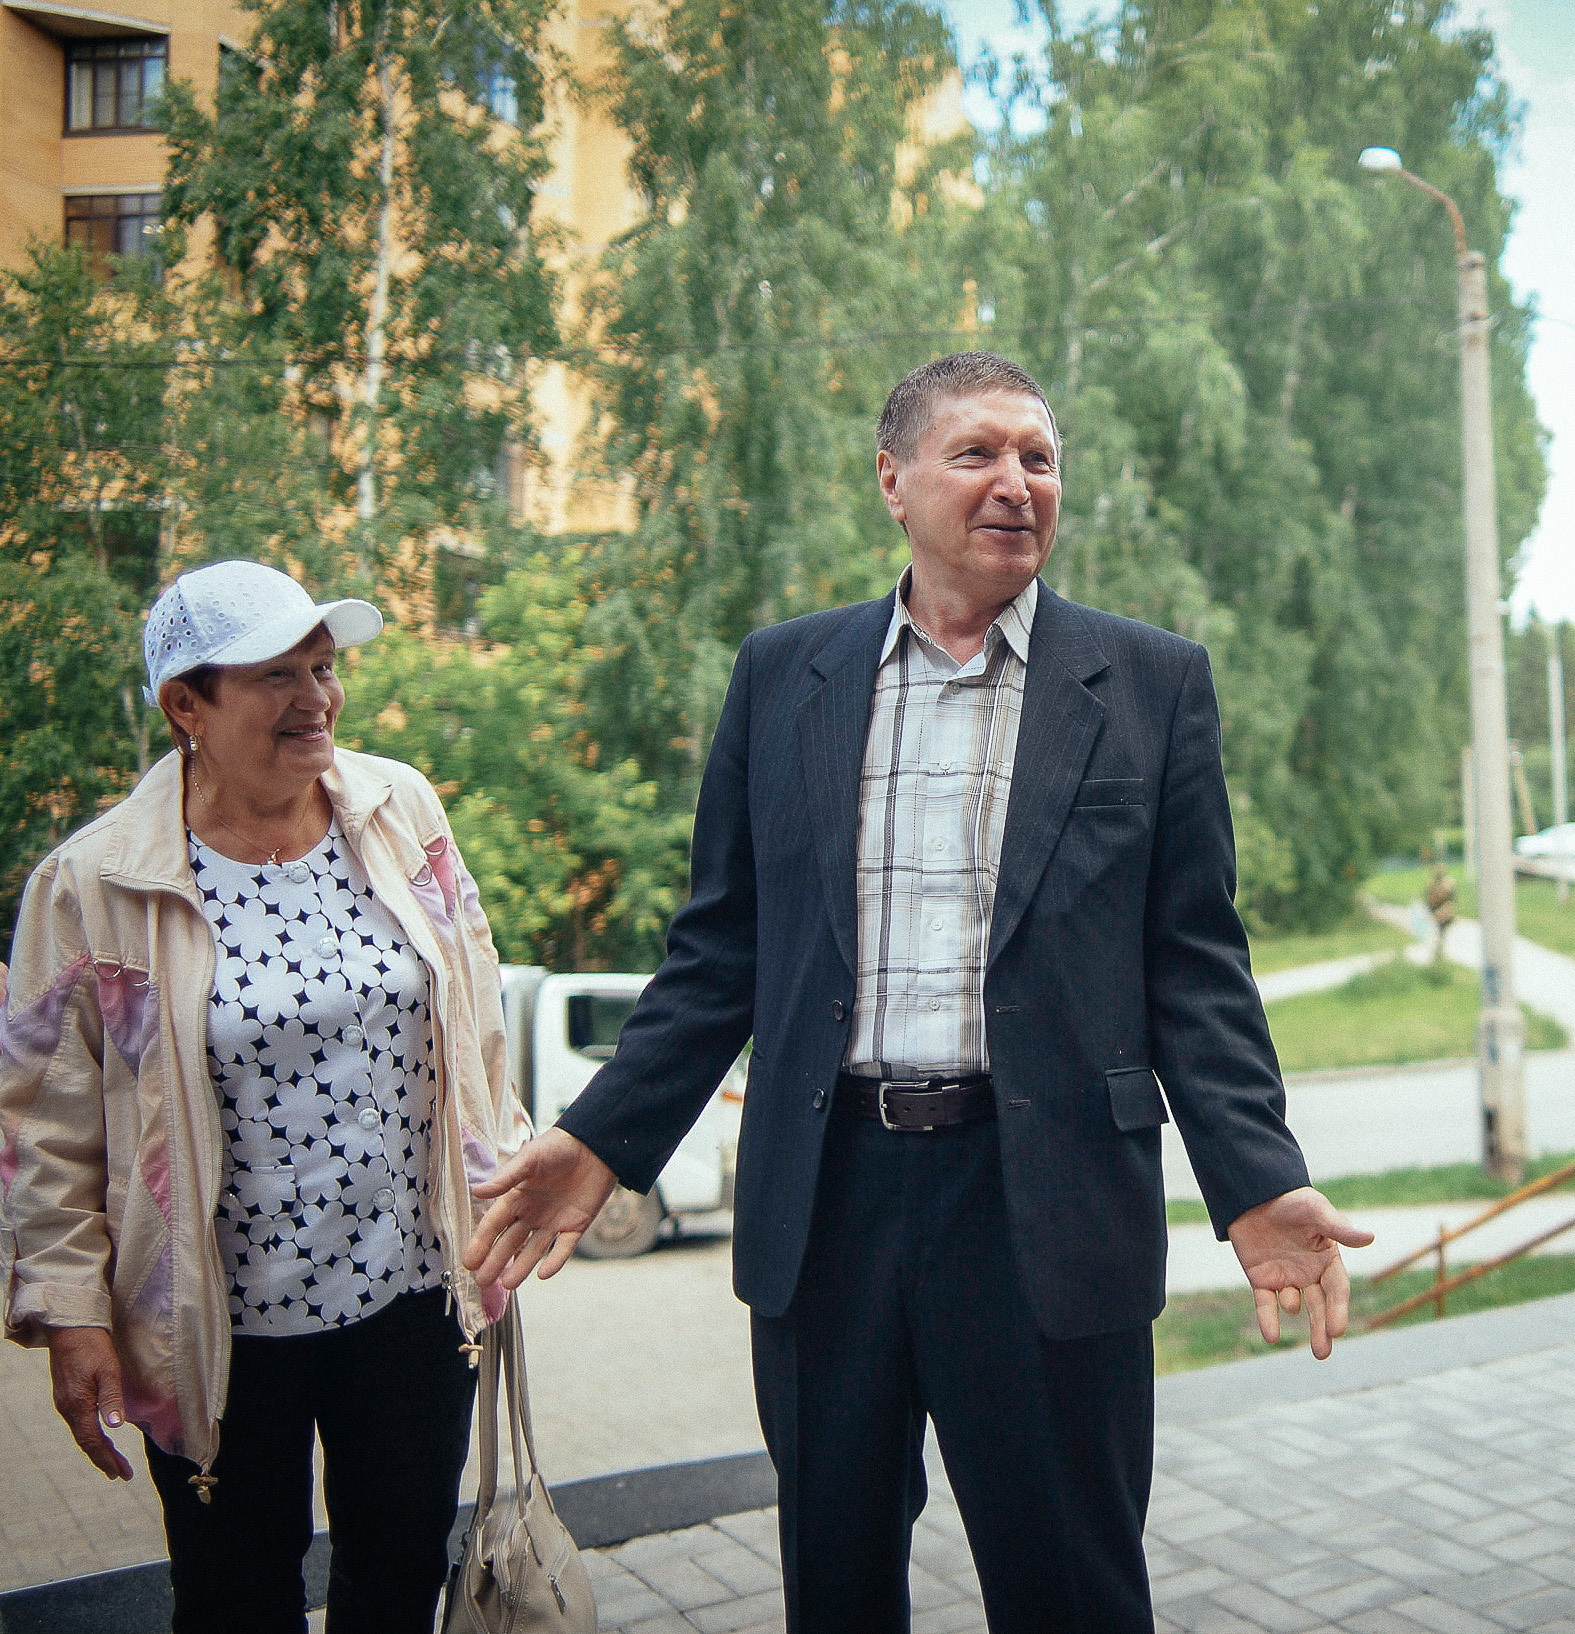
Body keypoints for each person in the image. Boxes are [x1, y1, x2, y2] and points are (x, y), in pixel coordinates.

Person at [465, 350, 1372, 1632]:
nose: (1016, 483)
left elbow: (1193, 962)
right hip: (829, 1205)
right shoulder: (785, 676)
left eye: (1039, 458)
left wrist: (1258, 1177)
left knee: (1072, 1589)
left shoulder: (1151, 682)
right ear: (893, 480)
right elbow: (721, 949)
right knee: (834, 1585)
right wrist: (607, 1139)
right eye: (978, 453)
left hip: (1046, 1204)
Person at [1, 560, 525, 1631]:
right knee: (235, 1599)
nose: (317, 698)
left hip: (413, 1300)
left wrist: (503, 1180)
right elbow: (41, 1129)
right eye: (276, 675)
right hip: (217, 1324)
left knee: (396, 1581)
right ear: (185, 706)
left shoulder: (400, 806)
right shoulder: (92, 883)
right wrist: (68, 1314)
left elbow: (473, 1006)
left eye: (324, 667)